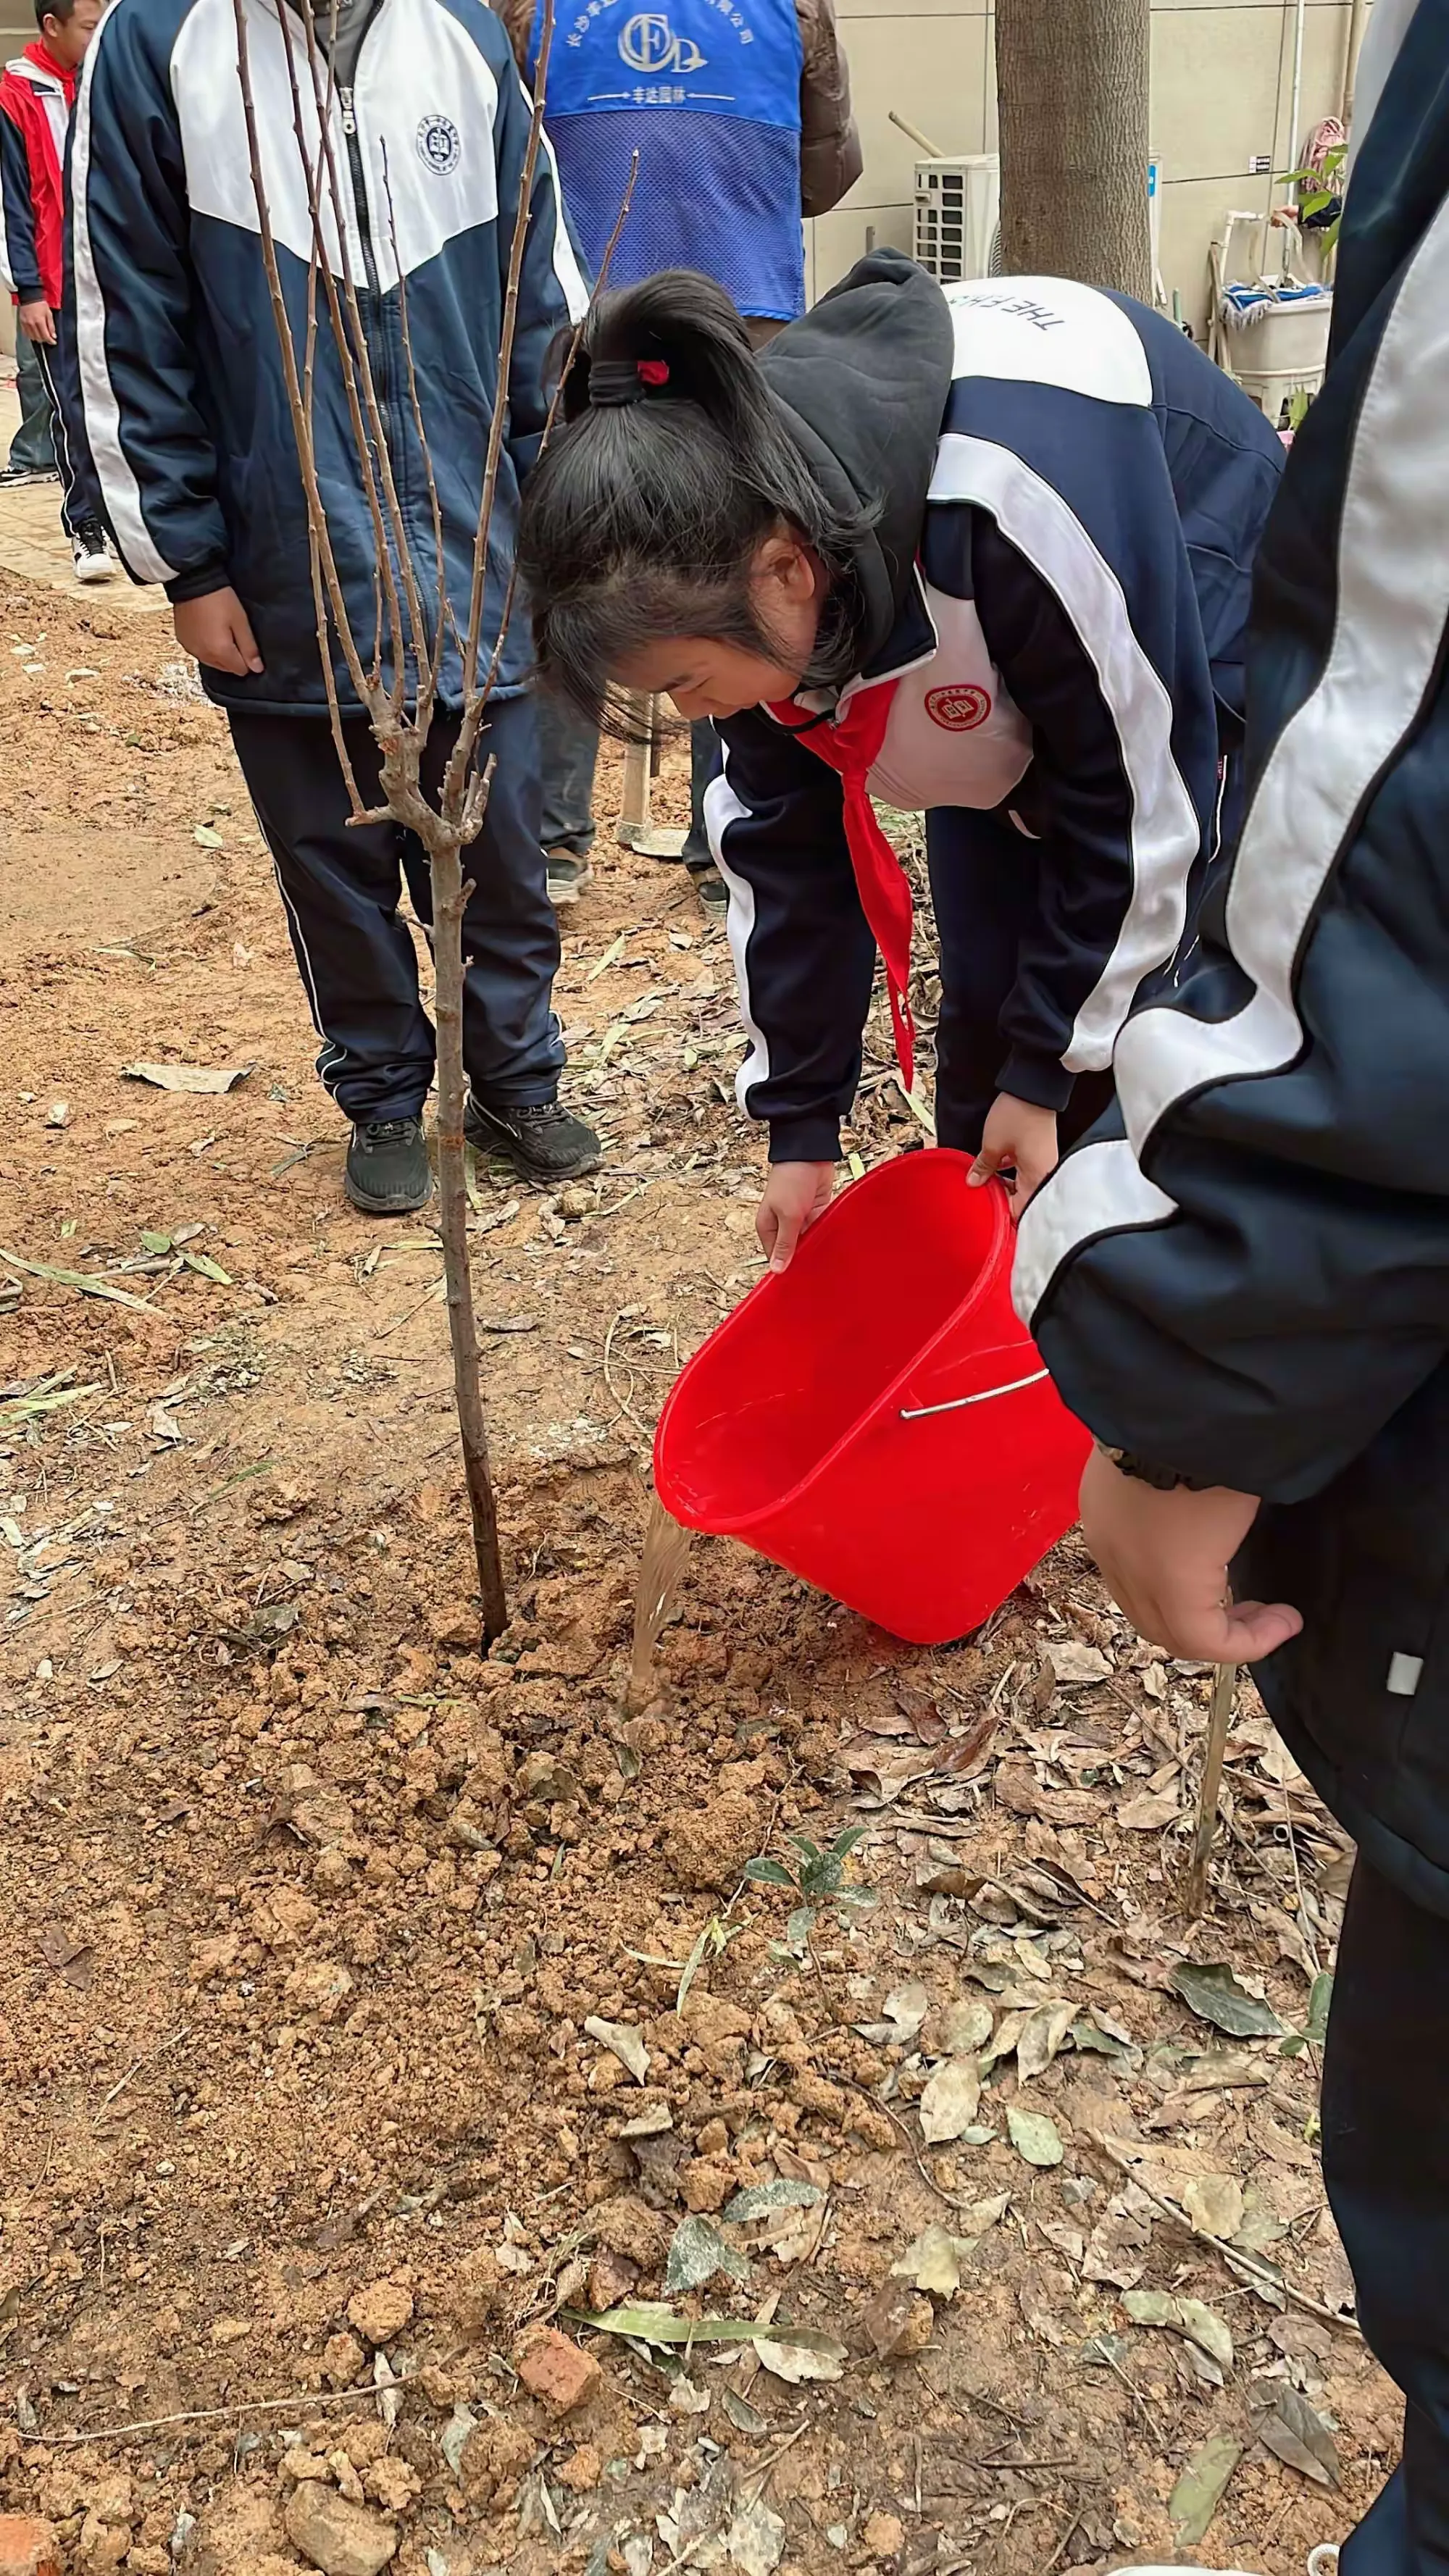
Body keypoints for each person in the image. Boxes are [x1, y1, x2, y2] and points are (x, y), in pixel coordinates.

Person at [1010, 3, 1449, 2572]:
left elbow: (1275, 802)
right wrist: (797, 1118)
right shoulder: (819, 636)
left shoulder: (1031, 509)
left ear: (784, 571)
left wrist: (1183, 1346)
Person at [517, 251, 1285, 1259]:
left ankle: (1133, 1299)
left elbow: (1143, 805)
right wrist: (802, 1129)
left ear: (787, 571)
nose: (694, 712)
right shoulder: (726, 553)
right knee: (989, 999)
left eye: (686, 683)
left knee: (1127, 1034)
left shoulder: (1007, 506)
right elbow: (790, 860)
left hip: (1190, 592)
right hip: (992, 636)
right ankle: (990, 1278)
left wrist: (1049, 1070)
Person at [64, 0, 601, 1216]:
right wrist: (188, 563)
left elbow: (540, 297)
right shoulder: (159, 43)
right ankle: (382, 1091)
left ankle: (515, 1072)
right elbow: (123, 321)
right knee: (332, 856)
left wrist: (556, 495)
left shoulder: (458, 31)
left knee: (502, 842)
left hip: (477, 541)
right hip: (283, 554)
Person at [493, 0, 860, 916]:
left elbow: (500, 165)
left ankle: (552, 844)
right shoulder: (788, 8)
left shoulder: (525, 11)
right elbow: (828, 171)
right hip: (748, 328)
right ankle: (726, 837)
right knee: (732, 576)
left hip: (580, 332)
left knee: (578, 572)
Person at [0, 0, 110, 580]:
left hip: (116, 277)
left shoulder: (107, 79)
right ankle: (85, 527)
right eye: (90, 28)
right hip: (55, 284)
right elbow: (13, 204)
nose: (100, 38)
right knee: (71, 411)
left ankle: (131, 521)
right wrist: (29, 289)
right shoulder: (16, 95)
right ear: (52, 25)